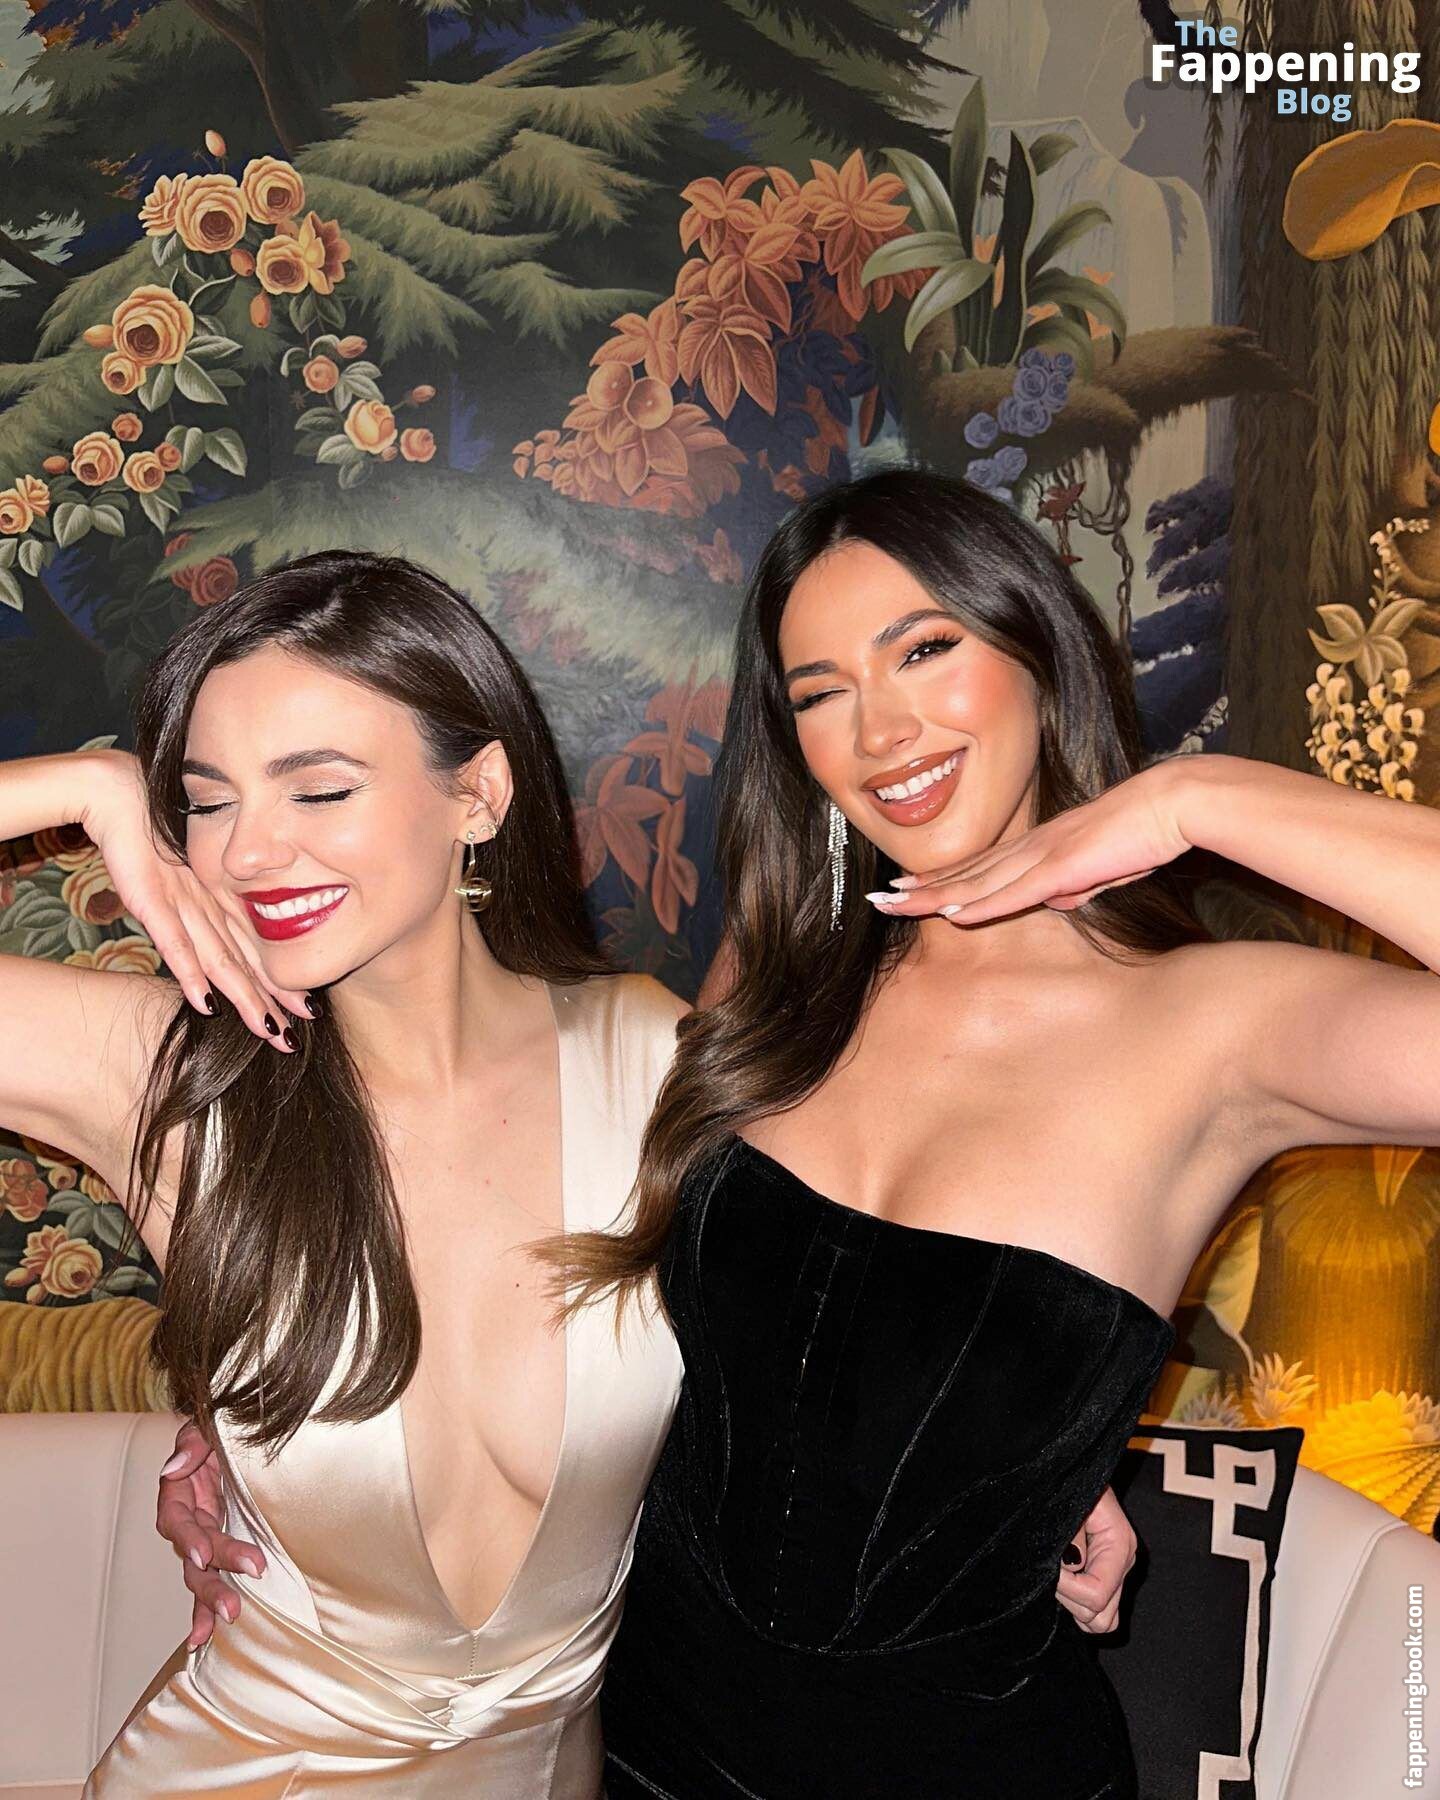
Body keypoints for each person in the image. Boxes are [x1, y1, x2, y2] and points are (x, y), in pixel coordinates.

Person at [548, 466, 1440, 1799]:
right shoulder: (779, 975)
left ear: (1037, 652)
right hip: (648, 1734)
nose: (882, 729)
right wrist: (1016, 1453)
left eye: (924, 650)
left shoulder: (1217, 1026)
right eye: (820, 693)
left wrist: (1197, 801)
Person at [1, 550, 690, 1796]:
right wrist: (85, 785)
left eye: (318, 789)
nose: (248, 854)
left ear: (478, 793)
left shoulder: (654, 1062)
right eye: (205, 803)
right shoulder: (163, 1079)